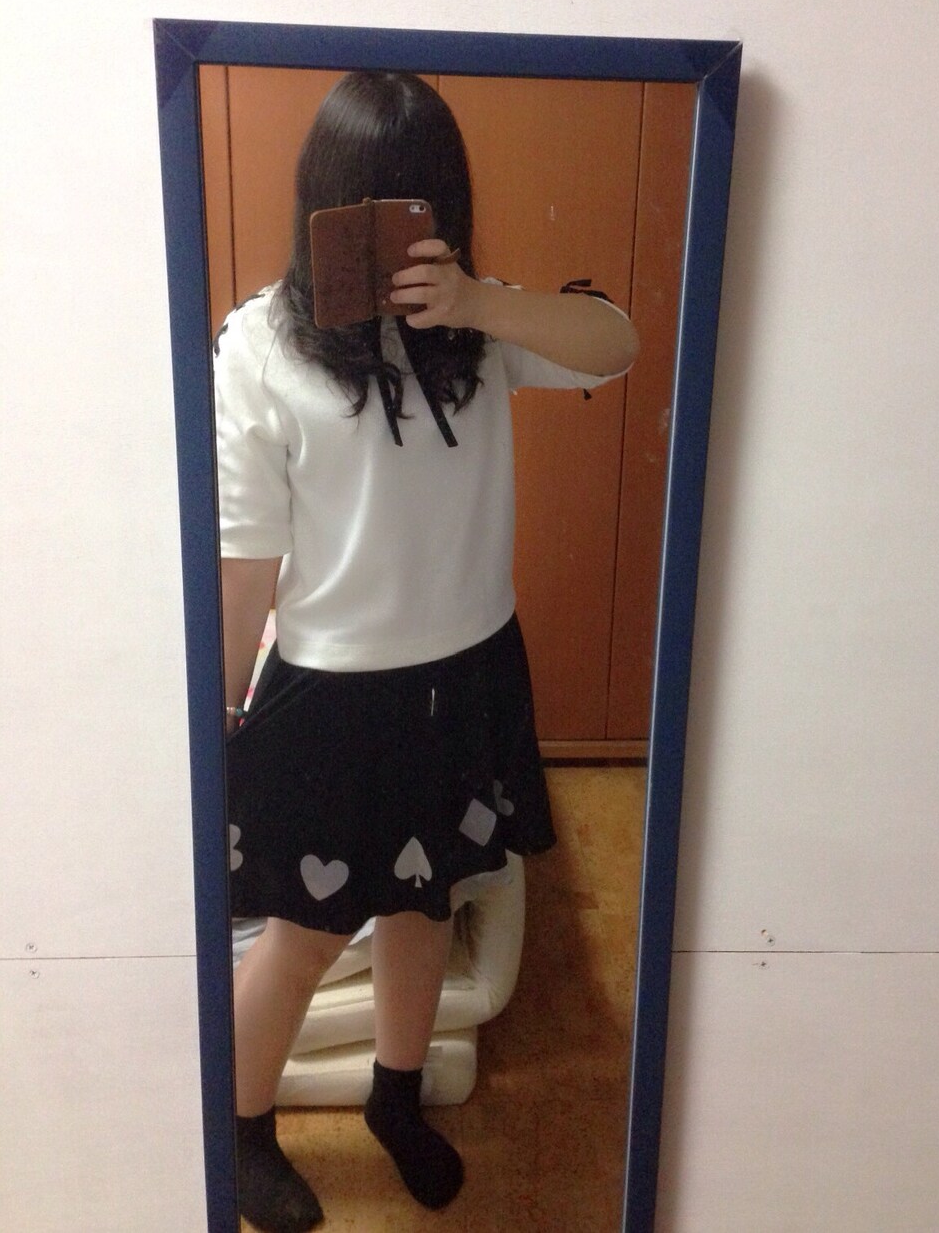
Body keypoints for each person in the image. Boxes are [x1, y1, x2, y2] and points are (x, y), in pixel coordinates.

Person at [214, 70, 639, 1233]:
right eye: (373, 203)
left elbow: (616, 344)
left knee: (425, 906)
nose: (398, 231)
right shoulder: (257, 346)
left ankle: (394, 1099)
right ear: (323, 202)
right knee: (305, 934)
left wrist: (478, 300)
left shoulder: (478, 330)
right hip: (328, 695)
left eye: (423, 203)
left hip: (468, 669)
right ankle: (239, 1128)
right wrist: (218, 719)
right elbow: (244, 565)